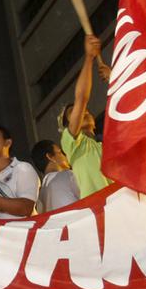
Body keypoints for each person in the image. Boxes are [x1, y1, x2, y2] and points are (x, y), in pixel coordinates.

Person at [62, 35, 111, 197]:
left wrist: (114, 79)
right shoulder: (72, 145)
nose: (84, 112)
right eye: (74, 112)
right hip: (100, 213)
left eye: (86, 111)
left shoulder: (108, 144)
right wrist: (89, 57)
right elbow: (82, 98)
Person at [30, 139, 80, 213]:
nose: (65, 155)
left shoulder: (40, 196)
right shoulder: (67, 176)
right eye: (60, 152)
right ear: (50, 156)